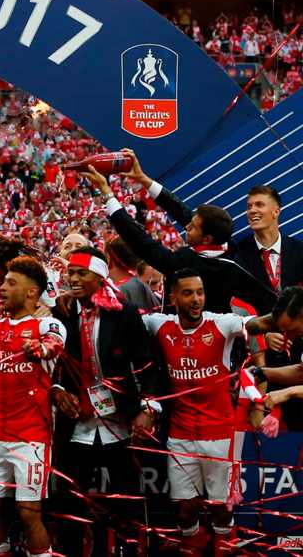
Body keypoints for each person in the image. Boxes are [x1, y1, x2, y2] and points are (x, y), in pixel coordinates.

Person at [50, 246, 166, 557]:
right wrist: (58, 390)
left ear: (100, 278)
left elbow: (146, 364)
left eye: (81, 273)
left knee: (125, 498)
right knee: (70, 499)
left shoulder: (124, 313)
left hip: (119, 422)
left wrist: (147, 408)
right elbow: (55, 366)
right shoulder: (61, 312)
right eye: (70, 273)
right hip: (76, 425)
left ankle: (128, 550)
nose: (73, 279)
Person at [142, 270, 268, 556]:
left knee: (221, 509)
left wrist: (286, 317)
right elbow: (123, 320)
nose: (196, 299)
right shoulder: (158, 324)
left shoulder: (221, 324)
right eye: (188, 293)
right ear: (173, 298)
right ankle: (193, 543)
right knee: (186, 511)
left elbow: (257, 323)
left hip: (220, 436)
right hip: (180, 436)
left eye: (199, 292)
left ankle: (224, 544)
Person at [82, 152, 274, 314]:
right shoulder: (227, 246)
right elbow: (181, 212)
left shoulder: (186, 264)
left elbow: (140, 241)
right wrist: (144, 179)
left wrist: (107, 194)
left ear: (206, 239)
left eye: (192, 227)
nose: (186, 227)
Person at [0, 256, 64, 557]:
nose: (1, 287)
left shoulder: (46, 324)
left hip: (31, 438)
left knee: (29, 514)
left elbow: (55, 342)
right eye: (2, 282)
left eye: (11, 283)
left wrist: (41, 348)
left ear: (31, 292)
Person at [233, 185, 303, 429]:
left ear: (276, 211)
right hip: (258, 361)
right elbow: (233, 310)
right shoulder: (237, 255)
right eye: (249, 206)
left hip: (298, 358)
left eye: (259, 205)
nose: (252, 210)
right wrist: (263, 333)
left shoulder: (299, 251)